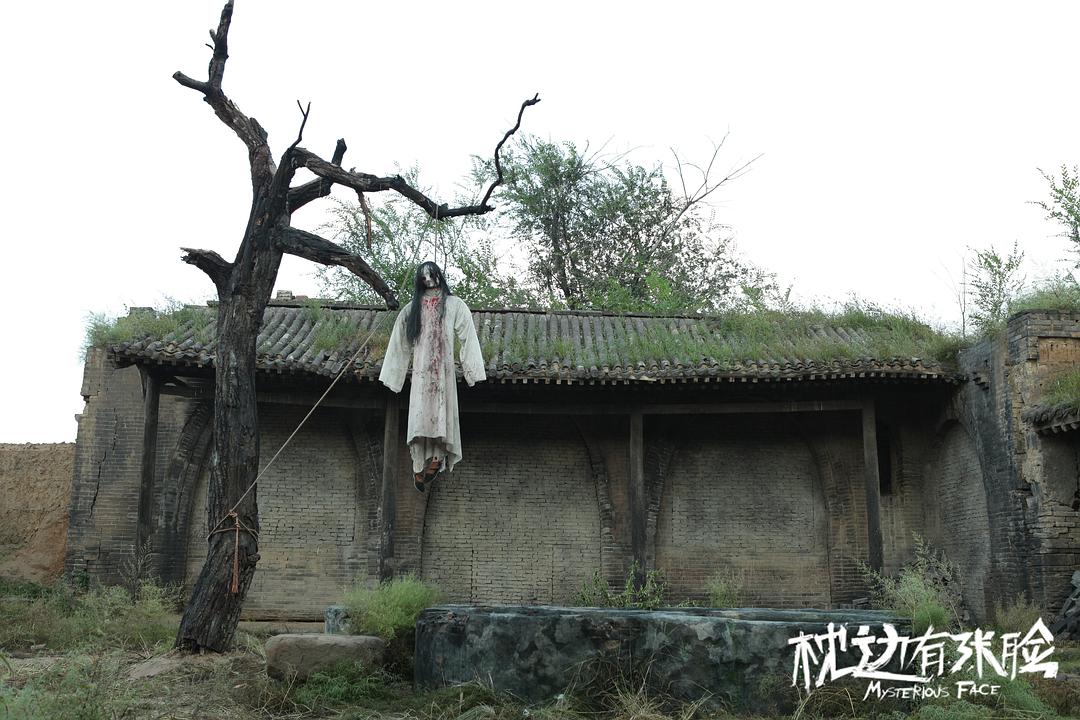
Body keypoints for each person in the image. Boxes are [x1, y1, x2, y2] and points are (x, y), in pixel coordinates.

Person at [378, 261, 486, 492]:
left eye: (431, 275)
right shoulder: (412, 309)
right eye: (423, 277)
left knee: (441, 417)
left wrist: (472, 370)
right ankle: (418, 464)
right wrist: (394, 376)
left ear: (439, 275)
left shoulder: (454, 304)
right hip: (421, 373)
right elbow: (399, 342)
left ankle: (437, 459)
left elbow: (468, 335)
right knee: (420, 419)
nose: (428, 280)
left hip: (444, 372)